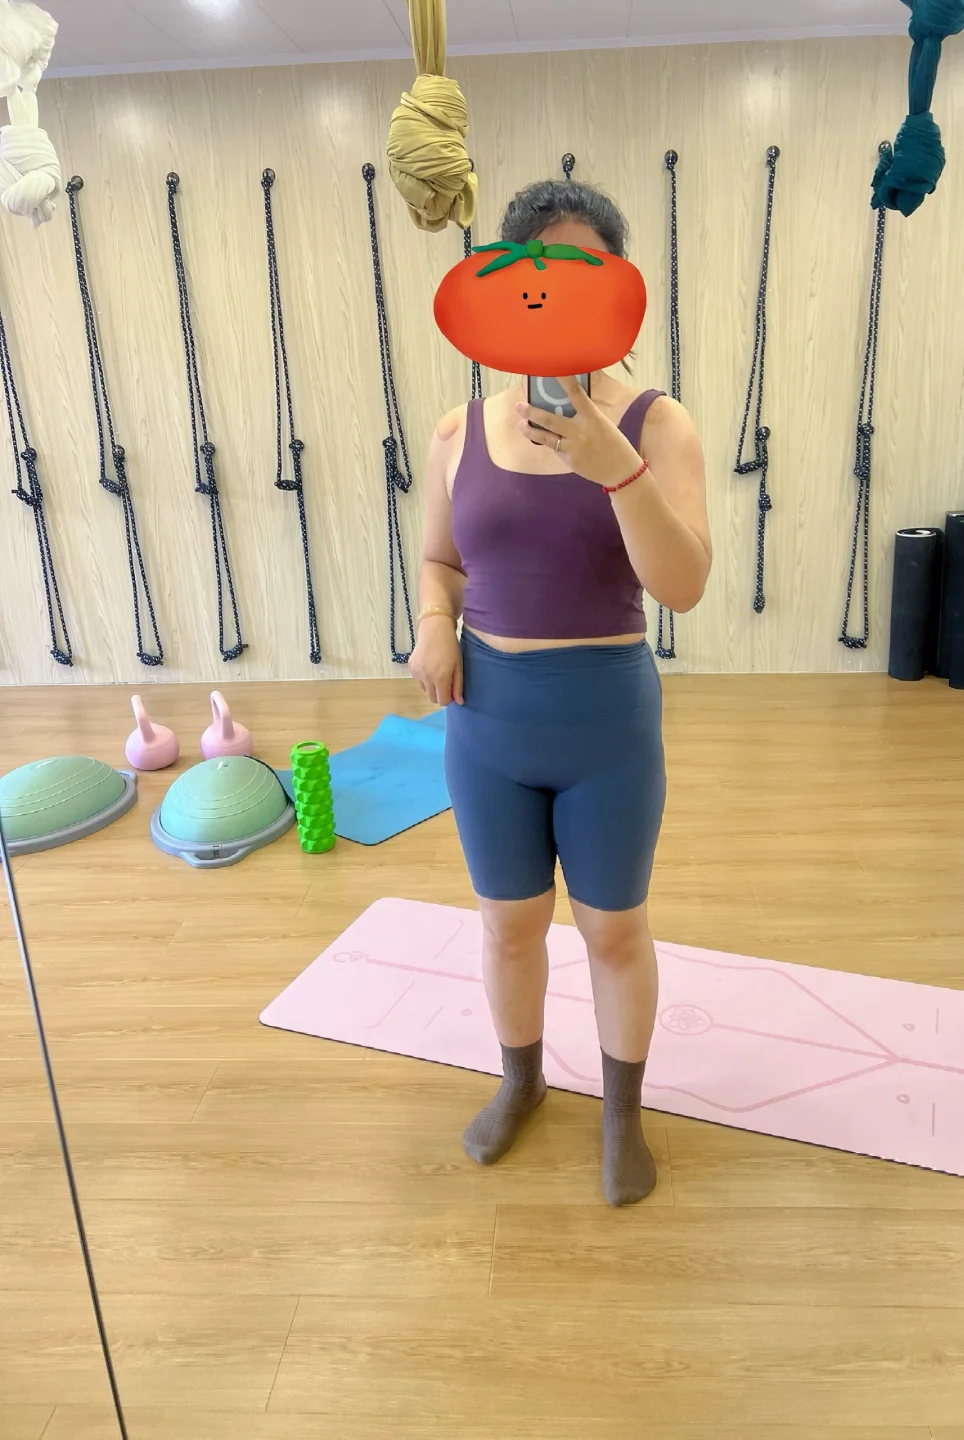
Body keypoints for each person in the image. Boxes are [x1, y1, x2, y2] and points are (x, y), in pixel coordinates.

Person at [409, 177, 711, 1205]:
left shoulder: (658, 424)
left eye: (585, 273)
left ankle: (622, 1113)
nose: (555, 297)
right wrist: (433, 623)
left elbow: (684, 586)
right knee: (508, 924)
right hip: (488, 719)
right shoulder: (456, 432)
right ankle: (522, 1082)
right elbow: (440, 562)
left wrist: (615, 468)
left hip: (605, 723)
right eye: (537, 274)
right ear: (502, 285)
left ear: (616, 287)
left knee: (613, 930)